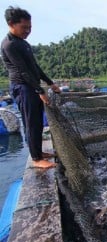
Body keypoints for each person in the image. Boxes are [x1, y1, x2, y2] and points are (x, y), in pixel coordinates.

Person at [1, 6, 61, 168]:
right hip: (22, 87)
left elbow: (35, 67)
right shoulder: (9, 45)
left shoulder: (23, 43)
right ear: (11, 24)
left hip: (31, 85)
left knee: (38, 123)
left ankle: (39, 152)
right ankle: (36, 159)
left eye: (30, 28)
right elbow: (24, 71)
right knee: (31, 123)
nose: (27, 31)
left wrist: (50, 83)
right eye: (24, 27)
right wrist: (40, 91)